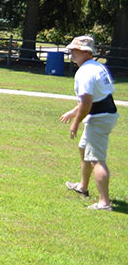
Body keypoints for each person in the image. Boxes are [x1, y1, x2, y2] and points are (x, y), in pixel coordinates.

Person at [60, 35, 119, 211]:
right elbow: (95, 97)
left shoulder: (85, 72)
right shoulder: (96, 67)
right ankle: (82, 187)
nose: (71, 52)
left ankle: (104, 203)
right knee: (83, 147)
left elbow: (87, 103)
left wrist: (76, 122)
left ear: (85, 52)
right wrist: (73, 112)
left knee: (97, 160)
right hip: (105, 113)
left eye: (74, 49)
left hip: (99, 118)